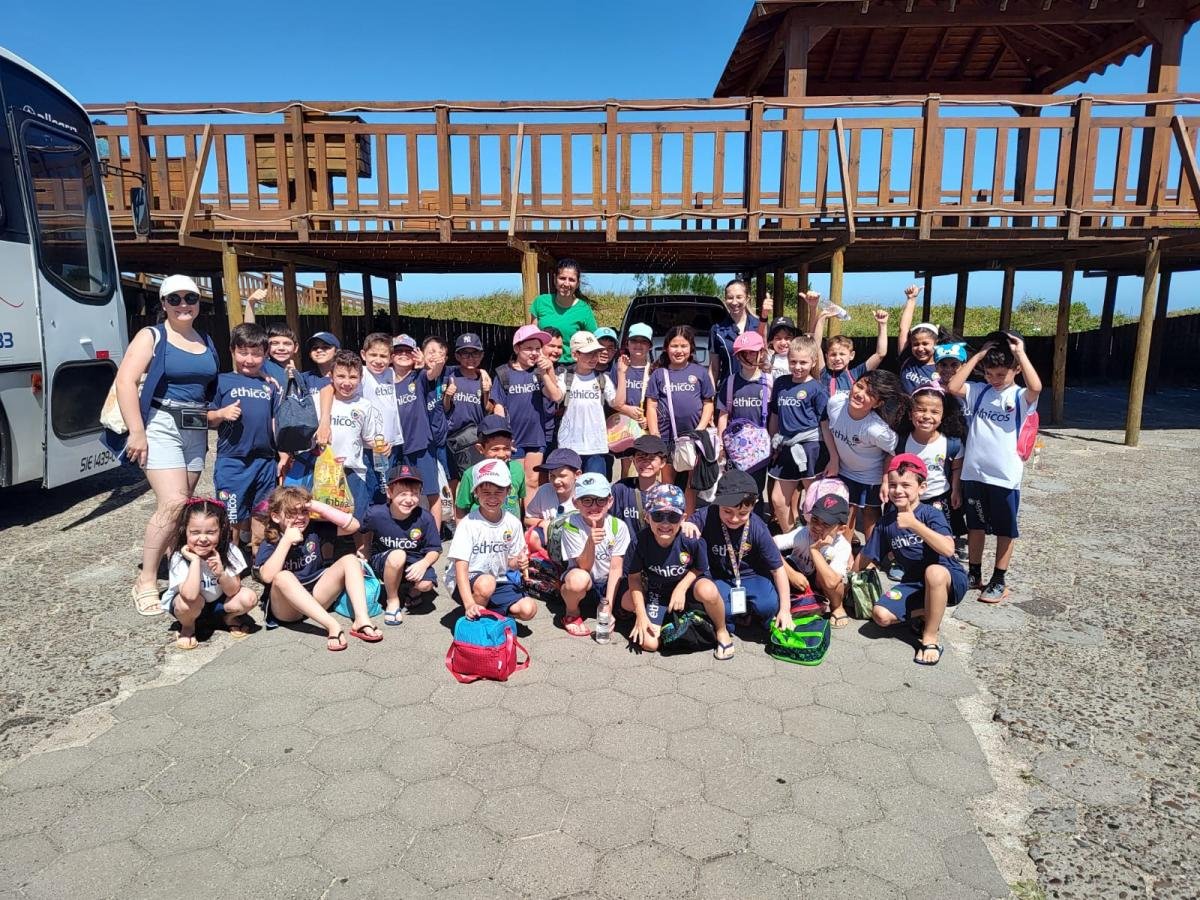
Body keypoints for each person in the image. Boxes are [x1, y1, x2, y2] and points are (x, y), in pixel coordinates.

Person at [114, 275, 221, 617]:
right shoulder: (153, 335)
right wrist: (137, 431)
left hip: (194, 426)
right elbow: (125, 381)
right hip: (161, 422)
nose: (183, 304)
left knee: (183, 505)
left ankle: (178, 567)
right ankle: (146, 580)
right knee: (173, 503)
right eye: (174, 299)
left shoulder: (204, 339)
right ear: (163, 303)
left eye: (190, 297)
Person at [945, 332, 1042, 603]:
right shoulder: (980, 391)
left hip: (1004, 477)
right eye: (989, 374)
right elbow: (953, 386)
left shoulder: (1020, 396)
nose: (994, 379)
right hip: (974, 473)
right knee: (975, 526)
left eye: (1000, 374)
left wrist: (1020, 353)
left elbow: (1036, 387)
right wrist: (978, 356)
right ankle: (974, 573)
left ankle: (999, 578)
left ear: (1016, 370)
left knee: (1004, 530)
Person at [857, 455, 968, 666]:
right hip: (914, 583)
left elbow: (948, 548)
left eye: (906, 485)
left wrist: (915, 525)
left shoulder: (930, 514)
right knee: (880, 615)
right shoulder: (886, 523)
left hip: (948, 579)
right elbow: (866, 556)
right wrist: (847, 579)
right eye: (893, 485)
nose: (898, 490)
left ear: (922, 488)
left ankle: (930, 638)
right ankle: (930, 610)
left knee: (933, 572)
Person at [256, 485, 382, 651]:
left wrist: (317, 506)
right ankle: (332, 625)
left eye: (304, 511)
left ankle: (361, 620)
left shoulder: (313, 529)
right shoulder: (271, 541)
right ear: (276, 516)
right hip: (288, 609)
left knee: (350, 559)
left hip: (316, 596)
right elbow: (267, 577)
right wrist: (286, 541)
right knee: (282, 576)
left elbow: (354, 526)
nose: (300, 517)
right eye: (292, 513)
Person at [623, 483, 733, 658]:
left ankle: (721, 630)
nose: (665, 523)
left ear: (683, 518)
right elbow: (634, 578)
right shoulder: (639, 542)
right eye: (658, 515)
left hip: (689, 587)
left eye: (673, 517)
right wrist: (641, 615)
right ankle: (668, 620)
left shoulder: (691, 539)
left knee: (709, 590)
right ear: (647, 517)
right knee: (649, 644)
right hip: (657, 591)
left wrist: (681, 588)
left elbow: (700, 568)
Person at [682, 470, 792, 636]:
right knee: (723, 612)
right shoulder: (706, 515)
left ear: (753, 506)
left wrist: (785, 609)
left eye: (742, 513)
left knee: (769, 606)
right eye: (727, 511)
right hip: (718, 576)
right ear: (717, 503)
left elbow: (778, 569)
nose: (734, 519)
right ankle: (736, 617)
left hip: (751, 575)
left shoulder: (758, 527)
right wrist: (686, 525)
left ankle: (751, 612)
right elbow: (684, 526)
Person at [209, 323, 281, 552]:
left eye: (256, 354)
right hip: (233, 461)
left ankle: (260, 559)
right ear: (232, 351)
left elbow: (276, 421)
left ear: (266, 354)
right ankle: (230, 560)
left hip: (265, 461)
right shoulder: (221, 381)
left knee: (262, 513)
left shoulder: (270, 385)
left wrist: (283, 454)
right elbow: (206, 418)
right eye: (243, 353)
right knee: (231, 515)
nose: (249, 359)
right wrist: (221, 414)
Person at [445, 459, 537, 622]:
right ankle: (473, 618)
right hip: (466, 581)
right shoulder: (468, 524)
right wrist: (469, 604)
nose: (492, 498)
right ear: (476, 492)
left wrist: (518, 561)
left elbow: (511, 563)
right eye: (486, 492)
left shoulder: (513, 522)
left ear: (508, 491)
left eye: (499, 491)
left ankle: (490, 611)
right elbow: (461, 568)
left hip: (498, 580)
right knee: (486, 584)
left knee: (528, 609)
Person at [821, 369, 907, 542]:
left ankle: (871, 554)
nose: (860, 394)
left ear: (878, 403)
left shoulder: (878, 431)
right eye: (859, 386)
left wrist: (885, 480)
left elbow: (893, 453)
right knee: (845, 515)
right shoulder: (836, 402)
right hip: (844, 471)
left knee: (870, 515)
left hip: (871, 478)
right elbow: (825, 424)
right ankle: (844, 555)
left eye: (870, 394)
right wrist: (834, 458)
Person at [160, 498, 257, 650]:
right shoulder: (179, 557)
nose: (203, 538)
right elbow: (189, 596)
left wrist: (221, 573)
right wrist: (195, 561)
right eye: (195, 532)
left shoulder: (229, 551)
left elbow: (233, 590)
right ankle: (188, 626)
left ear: (221, 531)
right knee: (185, 604)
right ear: (185, 531)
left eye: (211, 532)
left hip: (219, 603)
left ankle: (228, 618)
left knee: (248, 597)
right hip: (192, 606)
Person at [644, 325, 716, 513]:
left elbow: (708, 403)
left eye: (684, 346)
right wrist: (654, 434)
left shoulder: (700, 372)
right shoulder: (659, 374)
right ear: (666, 348)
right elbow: (651, 405)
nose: (679, 350)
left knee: (690, 485)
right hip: (667, 438)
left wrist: (700, 429)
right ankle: (669, 518)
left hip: (692, 438)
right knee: (668, 482)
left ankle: (688, 520)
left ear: (691, 348)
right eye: (674, 346)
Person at [360, 465, 441, 626]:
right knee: (398, 555)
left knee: (426, 585)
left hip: (414, 561)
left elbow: (435, 549)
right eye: (402, 494)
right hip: (384, 560)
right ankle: (392, 599)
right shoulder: (375, 513)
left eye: (414, 494)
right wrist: (365, 548)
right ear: (389, 493)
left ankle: (413, 589)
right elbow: (365, 529)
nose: (409, 499)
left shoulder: (425, 518)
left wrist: (424, 563)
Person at [490, 324, 564, 496]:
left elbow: (555, 396)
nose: (534, 353)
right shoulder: (503, 373)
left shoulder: (539, 373)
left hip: (536, 435)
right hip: (513, 437)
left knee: (532, 481)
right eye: (529, 348)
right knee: (514, 481)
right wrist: (503, 437)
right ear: (517, 348)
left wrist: (546, 372)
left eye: (538, 348)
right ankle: (514, 512)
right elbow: (498, 407)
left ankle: (530, 513)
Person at [767, 334, 829, 532]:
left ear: (813, 362)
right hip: (785, 447)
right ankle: (793, 540)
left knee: (814, 501)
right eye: (793, 361)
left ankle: (816, 541)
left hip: (810, 448)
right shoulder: (781, 383)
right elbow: (775, 415)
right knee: (778, 500)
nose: (798, 366)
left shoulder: (817, 389)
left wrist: (834, 457)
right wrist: (772, 443)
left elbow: (825, 424)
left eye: (803, 362)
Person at [900, 383, 967, 561]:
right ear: (910, 413)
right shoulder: (901, 441)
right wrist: (886, 483)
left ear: (943, 415)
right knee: (906, 533)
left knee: (937, 532)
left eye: (935, 412)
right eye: (921, 410)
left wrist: (956, 490)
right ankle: (903, 560)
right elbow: (890, 464)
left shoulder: (951, 443)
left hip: (939, 498)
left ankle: (942, 558)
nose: (927, 416)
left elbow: (956, 467)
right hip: (907, 499)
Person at [559, 473, 631, 637]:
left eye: (600, 500)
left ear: (610, 501)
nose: (594, 506)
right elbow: (583, 567)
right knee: (577, 579)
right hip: (586, 583)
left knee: (633, 597)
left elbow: (616, 568)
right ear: (576, 503)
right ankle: (572, 612)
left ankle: (612, 608)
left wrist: (608, 605)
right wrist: (590, 543)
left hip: (608, 583)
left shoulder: (618, 526)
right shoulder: (571, 524)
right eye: (587, 500)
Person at [391, 334, 446, 526]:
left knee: (431, 492)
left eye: (408, 351)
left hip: (420, 444)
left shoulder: (419, 376)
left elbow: (434, 371)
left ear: (416, 354)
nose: (403, 354)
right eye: (398, 350)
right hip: (394, 447)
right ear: (391, 356)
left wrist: (436, 363)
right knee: (398, 492)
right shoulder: (384, 382)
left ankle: (434, 536)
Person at [780, 491, 853, 626]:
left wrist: (815, 551)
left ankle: (837, 607)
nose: (817, 527)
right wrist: (791, 573)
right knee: (775, 564)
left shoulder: (842, 546)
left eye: (826, 524)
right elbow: (768, 545)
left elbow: (831, 582)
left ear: (841, 529)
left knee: (836, 583)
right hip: (797, 574)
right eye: (815, 520)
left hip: (821, 584)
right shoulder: (803, 533)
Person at [716, 330, 773, 500]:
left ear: (761, 353)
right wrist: (721, 444)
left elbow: (774, 416)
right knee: (736, 489)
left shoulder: (769, 382)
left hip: (760, 448)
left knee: (756, 490)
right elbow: (723, 414)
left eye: (753, 352)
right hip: (735, 446)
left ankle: (755, 515)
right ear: (737, 356)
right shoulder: (730, 382)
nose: (749, 357)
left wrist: (774, 442)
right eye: (744, 353)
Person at [327, 350, 385, 520]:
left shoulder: (364, 406)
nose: (347, 382)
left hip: (354, 470)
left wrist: (382, 446)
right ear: (331, 376)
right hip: (326, 471)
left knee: (358, 519)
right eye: (341, 376)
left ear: (360, 378)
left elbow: (369, 439)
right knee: (327, 521)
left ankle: (361, 541)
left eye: (353, 377)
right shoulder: (321, 401)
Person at [556, 331, 617, 476]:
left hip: (596, 446)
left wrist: (622, 373)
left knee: (595, 487)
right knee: (569, 486)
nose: (593, 358)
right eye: (588, 353)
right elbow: (556, 397)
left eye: (596, 353)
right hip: (569, 445)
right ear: (575, 354)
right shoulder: (565, 377)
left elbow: (616, 402)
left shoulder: (603, 379)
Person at [443, 332, 493, 496]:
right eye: (465, 354)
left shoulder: (483, 379)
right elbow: (445, 408)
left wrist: (486, 392)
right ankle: (453, 510)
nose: (470, 358)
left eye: (475, 353)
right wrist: (448, 396)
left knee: (474, 478)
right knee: (452, 479)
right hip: (451, 437)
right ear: (457, 356)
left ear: (482, 355)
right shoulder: (449, 375)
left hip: (473, 439)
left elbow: (488, 408)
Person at [359, 332, 405, 502]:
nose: (378, 360)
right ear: (363, 355)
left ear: (391, 358)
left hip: (393, 444)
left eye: (383, 356)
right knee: (374, 491)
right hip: (370, 446)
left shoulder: (392, 373)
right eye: (373, 355)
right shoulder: (361, 374)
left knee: (390, 490)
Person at [454, 415, 527, 520]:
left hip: (509, 529)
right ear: (480, 449)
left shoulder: (517, 469)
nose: (501, 454)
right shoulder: (471, 474)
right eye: (495, 449)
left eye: (506, 448)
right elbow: (461, 508)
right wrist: (461, 529)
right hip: (479, 528)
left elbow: (518, 499)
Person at [527, 258, 598, 364]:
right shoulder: (540, 302)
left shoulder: (584, 310)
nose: (566, 283)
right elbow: (533, 337)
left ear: (577, 283)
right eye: (562, 278)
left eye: (571, 280)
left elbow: (593, 341)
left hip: (571, 367)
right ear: (555, 279)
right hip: (542, 364)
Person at [896, 284, 959, 395]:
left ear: (936, 342)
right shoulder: (907, 358)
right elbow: (903, 329)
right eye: (916, 344)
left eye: (925, 344)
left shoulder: (944, 366)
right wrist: (911, 299)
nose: (920, 348)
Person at [610, 434, 668, 552]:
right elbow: (609, 521)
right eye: (640, 457)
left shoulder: (667, 494)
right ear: (633, 460)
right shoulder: (620, 489)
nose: (646, 463)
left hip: (655, 554)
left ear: (662, 462)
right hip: (625, 553)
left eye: (652, 458)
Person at [612, 322, 654, 478]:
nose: (638, 345)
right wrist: (626, 410)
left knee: (646, 463)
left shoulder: (654, 370)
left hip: (645, 424)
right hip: (624, 426)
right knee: (626, 467)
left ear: (650, 346)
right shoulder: (618, 367)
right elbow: (611, 399)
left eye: (643, 341)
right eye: (634, 340)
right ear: (627, 344)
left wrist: (648, 419)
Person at [709, 278, 767, 389]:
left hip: (756, 391)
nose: (734, 302)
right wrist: (710, 395)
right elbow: (714, 369)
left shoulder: (759, 326)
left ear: (747, 298)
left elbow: (765, 358)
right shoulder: (717, 330)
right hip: (727, 391)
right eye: (730, 298)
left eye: (739, 297)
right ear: (725, 299)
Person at [818, 310, 890, 397]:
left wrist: (882, 324)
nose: (837, 358)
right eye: (833, 355)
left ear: (851, 355)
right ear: (826, 356)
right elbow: (816, 347)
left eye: (842, 354)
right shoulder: (823, 373)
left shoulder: (857, 374)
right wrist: (821, 319)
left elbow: (880, 354)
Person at [525, 447, 582, 550]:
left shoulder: (584, 495)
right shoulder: (544, 490)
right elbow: (527, 519)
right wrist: (543, 523)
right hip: (550, 541)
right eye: (552, 476)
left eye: (562, 476)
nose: (556, 481)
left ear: (577, 475)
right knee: (531, 536)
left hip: (577, 541)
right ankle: (544, 556)